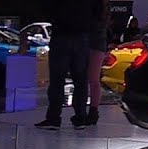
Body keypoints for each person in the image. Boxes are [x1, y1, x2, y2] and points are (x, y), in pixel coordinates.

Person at [36, 0, 93, 129]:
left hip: (61, 35)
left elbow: (47, 8)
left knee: (57, 79)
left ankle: (54, 118)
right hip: (81, 35)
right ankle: (80, 117)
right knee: (80, 80)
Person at [84, 0, 109, 127]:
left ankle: (92, 111)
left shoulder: (100, 6)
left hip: (95, 42)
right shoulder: (102, 6)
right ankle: (91, 111)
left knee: (92, 79)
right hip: (92, 42)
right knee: (91, 79)